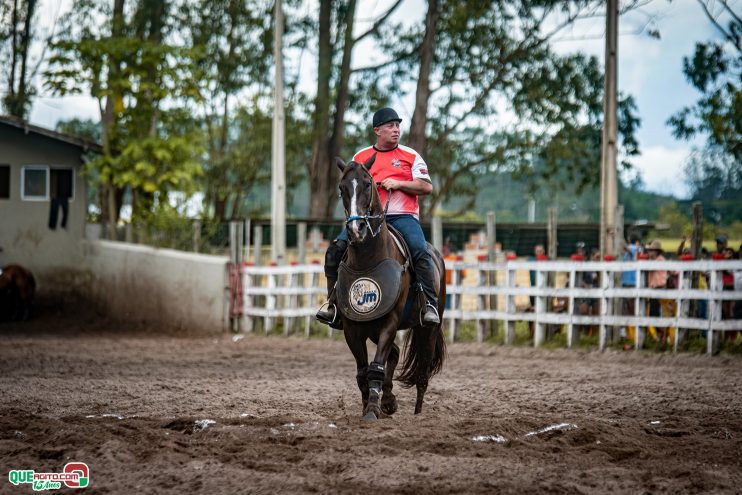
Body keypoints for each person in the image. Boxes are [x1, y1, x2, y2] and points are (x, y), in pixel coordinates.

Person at [316, 107, 440, 327]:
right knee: (335, 250)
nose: (396, 130)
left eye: (398, 125)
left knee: (420, 250)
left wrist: (399, 183)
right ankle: (332, 304)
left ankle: (428, 304)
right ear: (377, 131)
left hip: (402, 217)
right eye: (390, 126)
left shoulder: (410, 156)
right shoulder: (360, 157)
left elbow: (426, 187)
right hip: (367, 219)